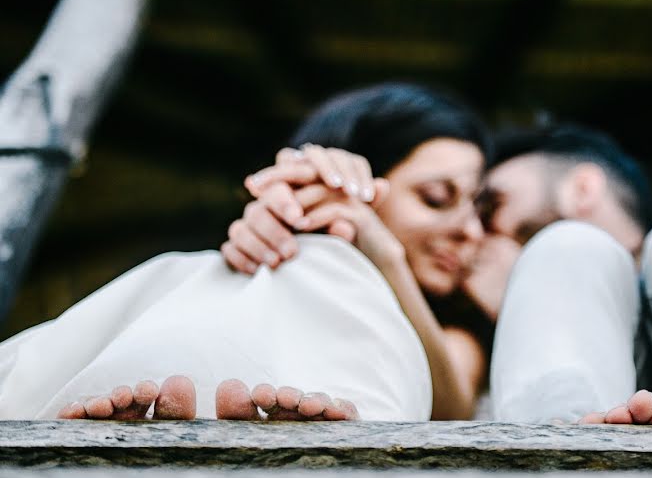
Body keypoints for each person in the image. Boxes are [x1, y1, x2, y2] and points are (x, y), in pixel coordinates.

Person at [237, 122, 652, 432]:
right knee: (568, 252)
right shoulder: (485, 325)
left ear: (580, 185)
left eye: (491, 207)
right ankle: (563, 418)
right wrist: (519, 307)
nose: (475, 235)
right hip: (562, 398)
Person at [0, 83, 492, 422]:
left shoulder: (459, 325)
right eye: (436, 198)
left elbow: (453, 406)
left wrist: (382, 255)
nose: (470, 231)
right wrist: (294, 214)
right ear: (365, 187)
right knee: (186, 274)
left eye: (479, 209)